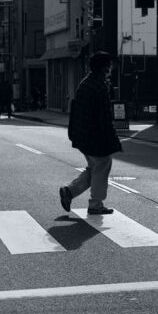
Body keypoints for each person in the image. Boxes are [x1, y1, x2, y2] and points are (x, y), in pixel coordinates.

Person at [59, 52, 121, 216]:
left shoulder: (86, 82)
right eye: (109, 65)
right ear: (104, 67)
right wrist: (113, 139)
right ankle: (96, 204)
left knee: (95, 168)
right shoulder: (99, 86)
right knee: (102, 166)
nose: (111, 68)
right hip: (96, 137)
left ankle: (69, 192)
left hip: (83, 135)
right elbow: (104, 117)